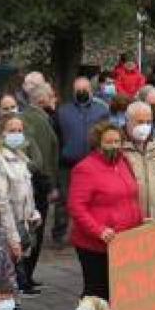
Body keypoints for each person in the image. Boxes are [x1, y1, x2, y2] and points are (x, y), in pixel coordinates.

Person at [67, 122, 144, 299]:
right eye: (108, 142)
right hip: (95, 245)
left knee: (120, 289)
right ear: (98, 143)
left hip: (123, 241)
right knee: (97, 292)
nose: (114, 146)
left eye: (117, 141)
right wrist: (98, 230)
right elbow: (76, 207)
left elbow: (131, 197)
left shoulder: (124, 162)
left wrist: (140, 221)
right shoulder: (85, 168)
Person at [0, 114, 40, 295]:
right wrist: (12, 236)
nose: (17, 134)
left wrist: (33, 212)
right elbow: (2, 201)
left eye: (19, 131)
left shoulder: (21, 158)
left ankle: (11, 303)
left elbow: (26, 193)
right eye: (11, 130)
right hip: (7, 226)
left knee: (14, 270)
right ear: (0, 133)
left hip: (22, 223)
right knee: (4, 272)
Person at [52, 78, 109, 247]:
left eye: (85, 89)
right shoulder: (62, 112)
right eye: (78, 89)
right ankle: (60, 234)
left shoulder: (102, 110)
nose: (82, 92)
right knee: (64, 199)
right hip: (68, 163)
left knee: (94, 199)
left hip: (94, 163)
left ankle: (91, 230)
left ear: (90, 90)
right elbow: (56, 137)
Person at [17, 82, 59, 293]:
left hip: (34, 183)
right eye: (52, 95)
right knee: (33, 232)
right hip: (37, 184)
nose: (55, 99)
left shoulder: (34, 118)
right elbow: (43, 157)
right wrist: (51, 184)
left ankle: (27, 276)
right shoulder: (37, 121)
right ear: (42, 100)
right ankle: (24, 278)